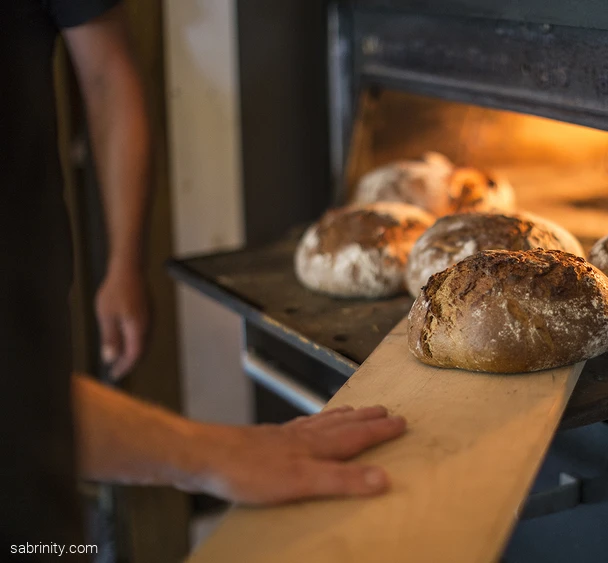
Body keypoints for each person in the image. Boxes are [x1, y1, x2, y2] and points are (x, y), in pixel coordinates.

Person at [1, 2, 405, 560]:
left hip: (31, 291)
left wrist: (124, 265)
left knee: (42, 540)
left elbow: (107, 74)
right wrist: (212, 454)